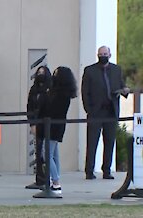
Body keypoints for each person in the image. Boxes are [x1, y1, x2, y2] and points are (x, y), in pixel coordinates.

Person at [82, 46, 130, 180]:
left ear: (110, 55)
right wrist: (89, 109)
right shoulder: (90, 70)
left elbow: (121, 85)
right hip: (96, 112)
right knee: (92, 142)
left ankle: (107, 170)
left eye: (105, 54)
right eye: (100, 54)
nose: (103, 56)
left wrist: (124, 90)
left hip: (111, 111)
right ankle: (89, 170)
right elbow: (85, 92)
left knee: (109, 141)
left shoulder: (116, 70)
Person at [36, 66, 77, 194]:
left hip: (53, 126)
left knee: (46, 154)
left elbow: (52, 109)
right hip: (54, 125)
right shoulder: (59, 92)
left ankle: (56, 182)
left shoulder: (61, 94)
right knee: (54, 154)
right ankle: (54, 180)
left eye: (56, 73)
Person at [25, 66, 52, 190]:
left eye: (43, 72)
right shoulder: (34, 90)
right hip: (36, 124)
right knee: (38, 153)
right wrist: (32, 124)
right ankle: (40, 179)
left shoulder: (50, 89)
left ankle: (49, 179)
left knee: (48, 154)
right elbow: (29, 107)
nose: (40, 74)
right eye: (39, 72)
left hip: (47, 124)